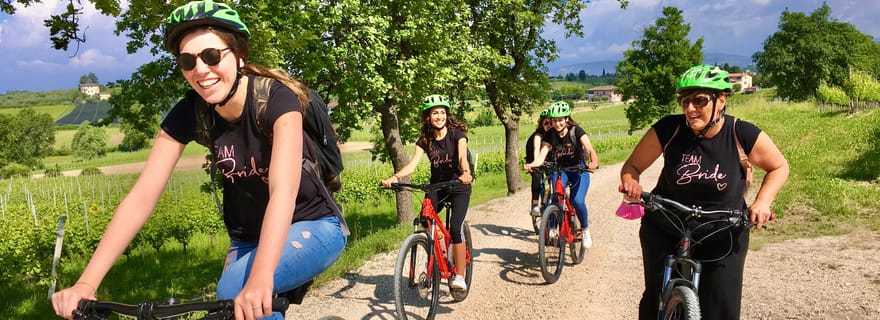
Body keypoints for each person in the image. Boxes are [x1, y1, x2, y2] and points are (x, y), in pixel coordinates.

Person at [51, 1, 347, 319]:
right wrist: (86, 283)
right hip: (247, 239)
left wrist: (261, 277)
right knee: (236, 309)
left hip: (314, 225)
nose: (200, 69)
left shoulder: (276, 99)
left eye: (211, 55)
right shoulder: (191, 111)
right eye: (187, 60)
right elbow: (141, 197)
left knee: (235, 292)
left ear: (239, 55)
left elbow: (283, 191)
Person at [619, 64, 789, 320]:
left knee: (722, 306)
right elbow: (632, 166)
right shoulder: (669, 129)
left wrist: (763, 202)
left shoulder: (741, 133)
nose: (690, 108)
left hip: (722, 229)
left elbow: (779, 166)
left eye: (699, 100)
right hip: (667, 222)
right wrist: (632, 183)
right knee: (656, 300)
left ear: (721, 100)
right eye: (684, 101)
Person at [381, 94, 474, 291]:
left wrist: (466, 172)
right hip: (437, 186)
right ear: (428, 117)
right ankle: (439, 252)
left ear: (446, 115)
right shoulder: (425, 140)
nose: (439, 116)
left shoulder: (457, 134)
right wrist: (395, 178)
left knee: (456, 227)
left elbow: (462, 157)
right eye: (434, 113)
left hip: (459, 185)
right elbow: (412, 165)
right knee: (425, 218)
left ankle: (459, 275)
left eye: (442, 112)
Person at [524, 101, 600, 247]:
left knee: (577, 201)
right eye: (554, 120)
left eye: (560, 120)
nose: (557, 124)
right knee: (556, 197)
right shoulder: (550, 135)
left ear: (566, 119)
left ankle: (585, 229)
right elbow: (541, 156)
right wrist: (532, 164)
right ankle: (552, 227)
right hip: (561, 170)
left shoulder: (576, 131)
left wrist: (594, 161)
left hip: (579, 170)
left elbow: (589, 149)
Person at [525, 109, 552, 217]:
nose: (549, 125)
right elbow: (537, 148)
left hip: (548, 159)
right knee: (537, 174)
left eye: (551, 123)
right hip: (534, 159)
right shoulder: (538, 135)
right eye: (546, 123)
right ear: (541, 124)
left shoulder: (555, 134)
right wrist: (536, 163)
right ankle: (535, 204)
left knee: (553, 177)